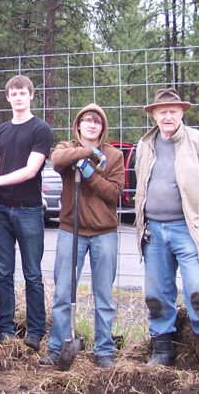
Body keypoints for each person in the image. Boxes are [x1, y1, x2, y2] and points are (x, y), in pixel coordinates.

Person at [39, 104, 124, 368]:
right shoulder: (66, 148)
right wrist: (87, 152)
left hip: (104, 233)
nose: (91, 124)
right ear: (78, 125)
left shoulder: (114, 155)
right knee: (63, 292)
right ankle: (57, 347)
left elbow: (113, 193)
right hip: (70, 230)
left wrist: (88, 172)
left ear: (102, 127)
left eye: (97, 121)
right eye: (86, 120)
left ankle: (104, 350)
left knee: (103, 295)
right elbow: (57, 159)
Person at [135, 88, 199, 366]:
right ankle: (163, 349)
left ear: (182, 113)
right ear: (154, 114)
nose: (168, 116)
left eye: (173, 111)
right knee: (156, 293)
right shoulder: (145, 145)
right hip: (153, 229)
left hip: (190, 229)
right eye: (162, 111)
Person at [0, 74, 52, 351]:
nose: (18, 97)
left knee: (32, 273)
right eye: (13, 93)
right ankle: (6, 329)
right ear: (7, 97)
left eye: (23, 93)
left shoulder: (41, 129)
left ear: (31, 96)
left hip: (29, 211)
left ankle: (35, 330)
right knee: (3, 273)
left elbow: (31, 170)